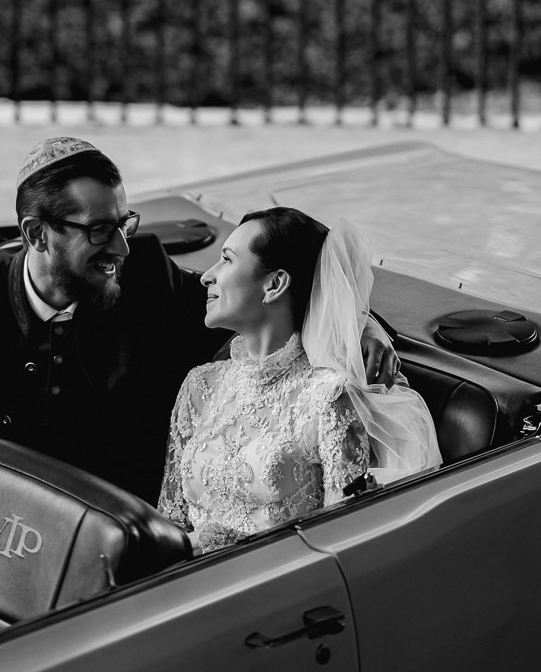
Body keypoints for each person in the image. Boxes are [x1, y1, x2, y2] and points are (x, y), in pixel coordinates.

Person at [0, 137, 399, 507]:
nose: (121, 247)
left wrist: (362, 323)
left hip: (127, 530)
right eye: (99, 230)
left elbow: (266, 294)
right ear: (36, 234)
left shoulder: (146, 275)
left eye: (124, 223)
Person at [159, 207, 440, 553]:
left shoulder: (328, 396)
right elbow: (171, 520)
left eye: (227, 260)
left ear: (275, 284)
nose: (206, 276)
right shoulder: (199, 386)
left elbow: (343, 538)